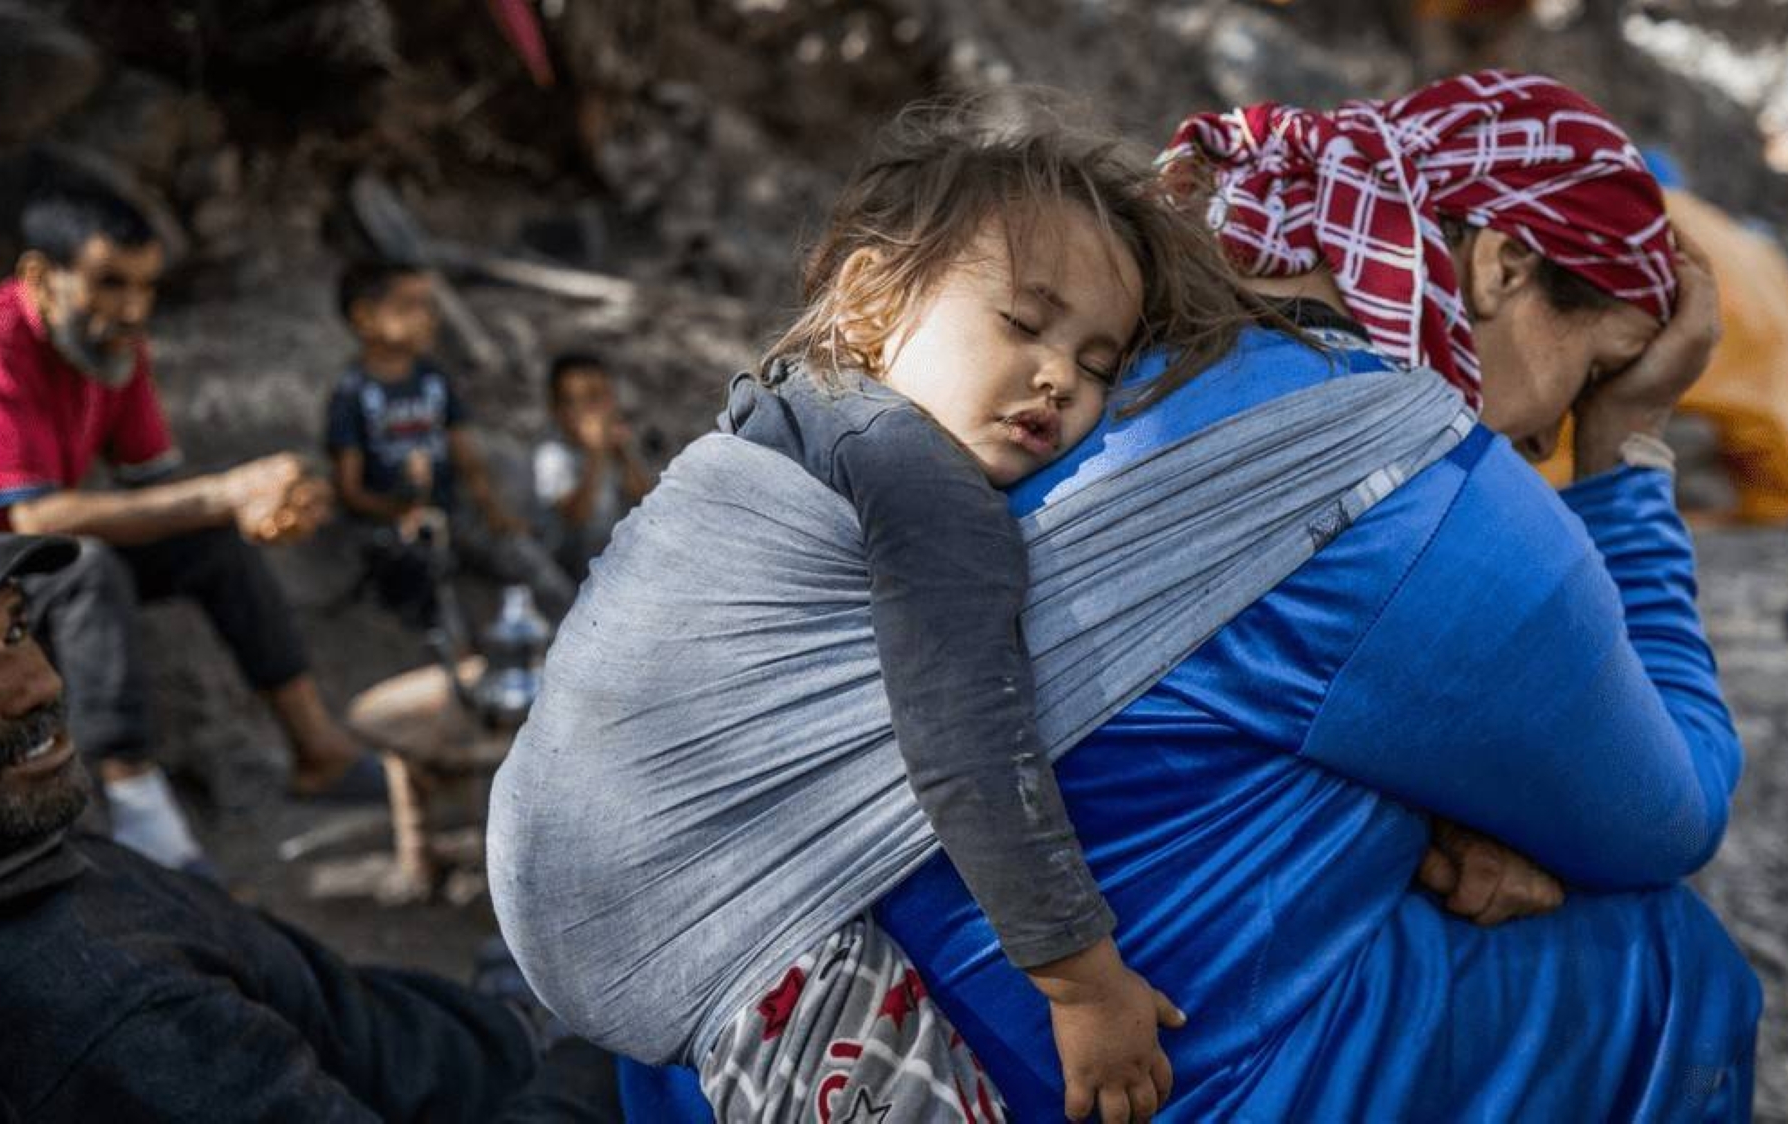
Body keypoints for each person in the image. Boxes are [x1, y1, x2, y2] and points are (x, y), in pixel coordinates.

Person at [611, 73, 1759, 1122]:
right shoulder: (1427, 489)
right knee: (1668, 965)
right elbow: (1669, 809)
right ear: (1500, 264)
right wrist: (1630, 450)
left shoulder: (1071, 338)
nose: (1556, 428)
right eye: (1593, 370)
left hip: (714, 1016)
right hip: (1004, 1070)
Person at [493, 100, 1272, 1123]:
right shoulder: (920, 475)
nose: (1056, 377)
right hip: (711, 914)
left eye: (1095, 363)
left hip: (547, 862)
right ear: (868, 301)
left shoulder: (785, 412)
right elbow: (968, 736)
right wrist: (1080, 980)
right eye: (1024, 323)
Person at [0, 503, 617, 1121]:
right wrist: (594, 1065)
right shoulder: (114, 1032)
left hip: (441, 1037)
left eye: (16, 628)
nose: (38, 682)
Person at [0, 187, 375, 875]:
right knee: (87, 566)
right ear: (41, 277)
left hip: (14, 549)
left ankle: (317, 747)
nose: (132, 307)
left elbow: (154, 485)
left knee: (214, 545)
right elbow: (33, 516)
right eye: (108, 284)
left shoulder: (111, 347)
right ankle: (139, 808)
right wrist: (225, 491)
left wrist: (254, 508)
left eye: (144, 286)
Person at [326, 258, 577, 625]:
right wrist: (399, 511)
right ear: (365, 317)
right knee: (436, 593)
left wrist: (492, 510)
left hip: (453, 512)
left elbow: (464, 452)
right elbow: (349, 488)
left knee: (529, 564)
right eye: (410, 306)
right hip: (393, 525)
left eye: (428, 305)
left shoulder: (432, 378)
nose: (428, 317)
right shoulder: (353, 394)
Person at [531, 350, 653, 582]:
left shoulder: (617, 449)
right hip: (572, 577)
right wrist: (595, 455)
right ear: (558, 410)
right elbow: (575, 517)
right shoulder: (552, 455)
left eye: (600, 397)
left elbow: (648, 500)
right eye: (582, 401)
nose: (594, 411)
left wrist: (625, 455)